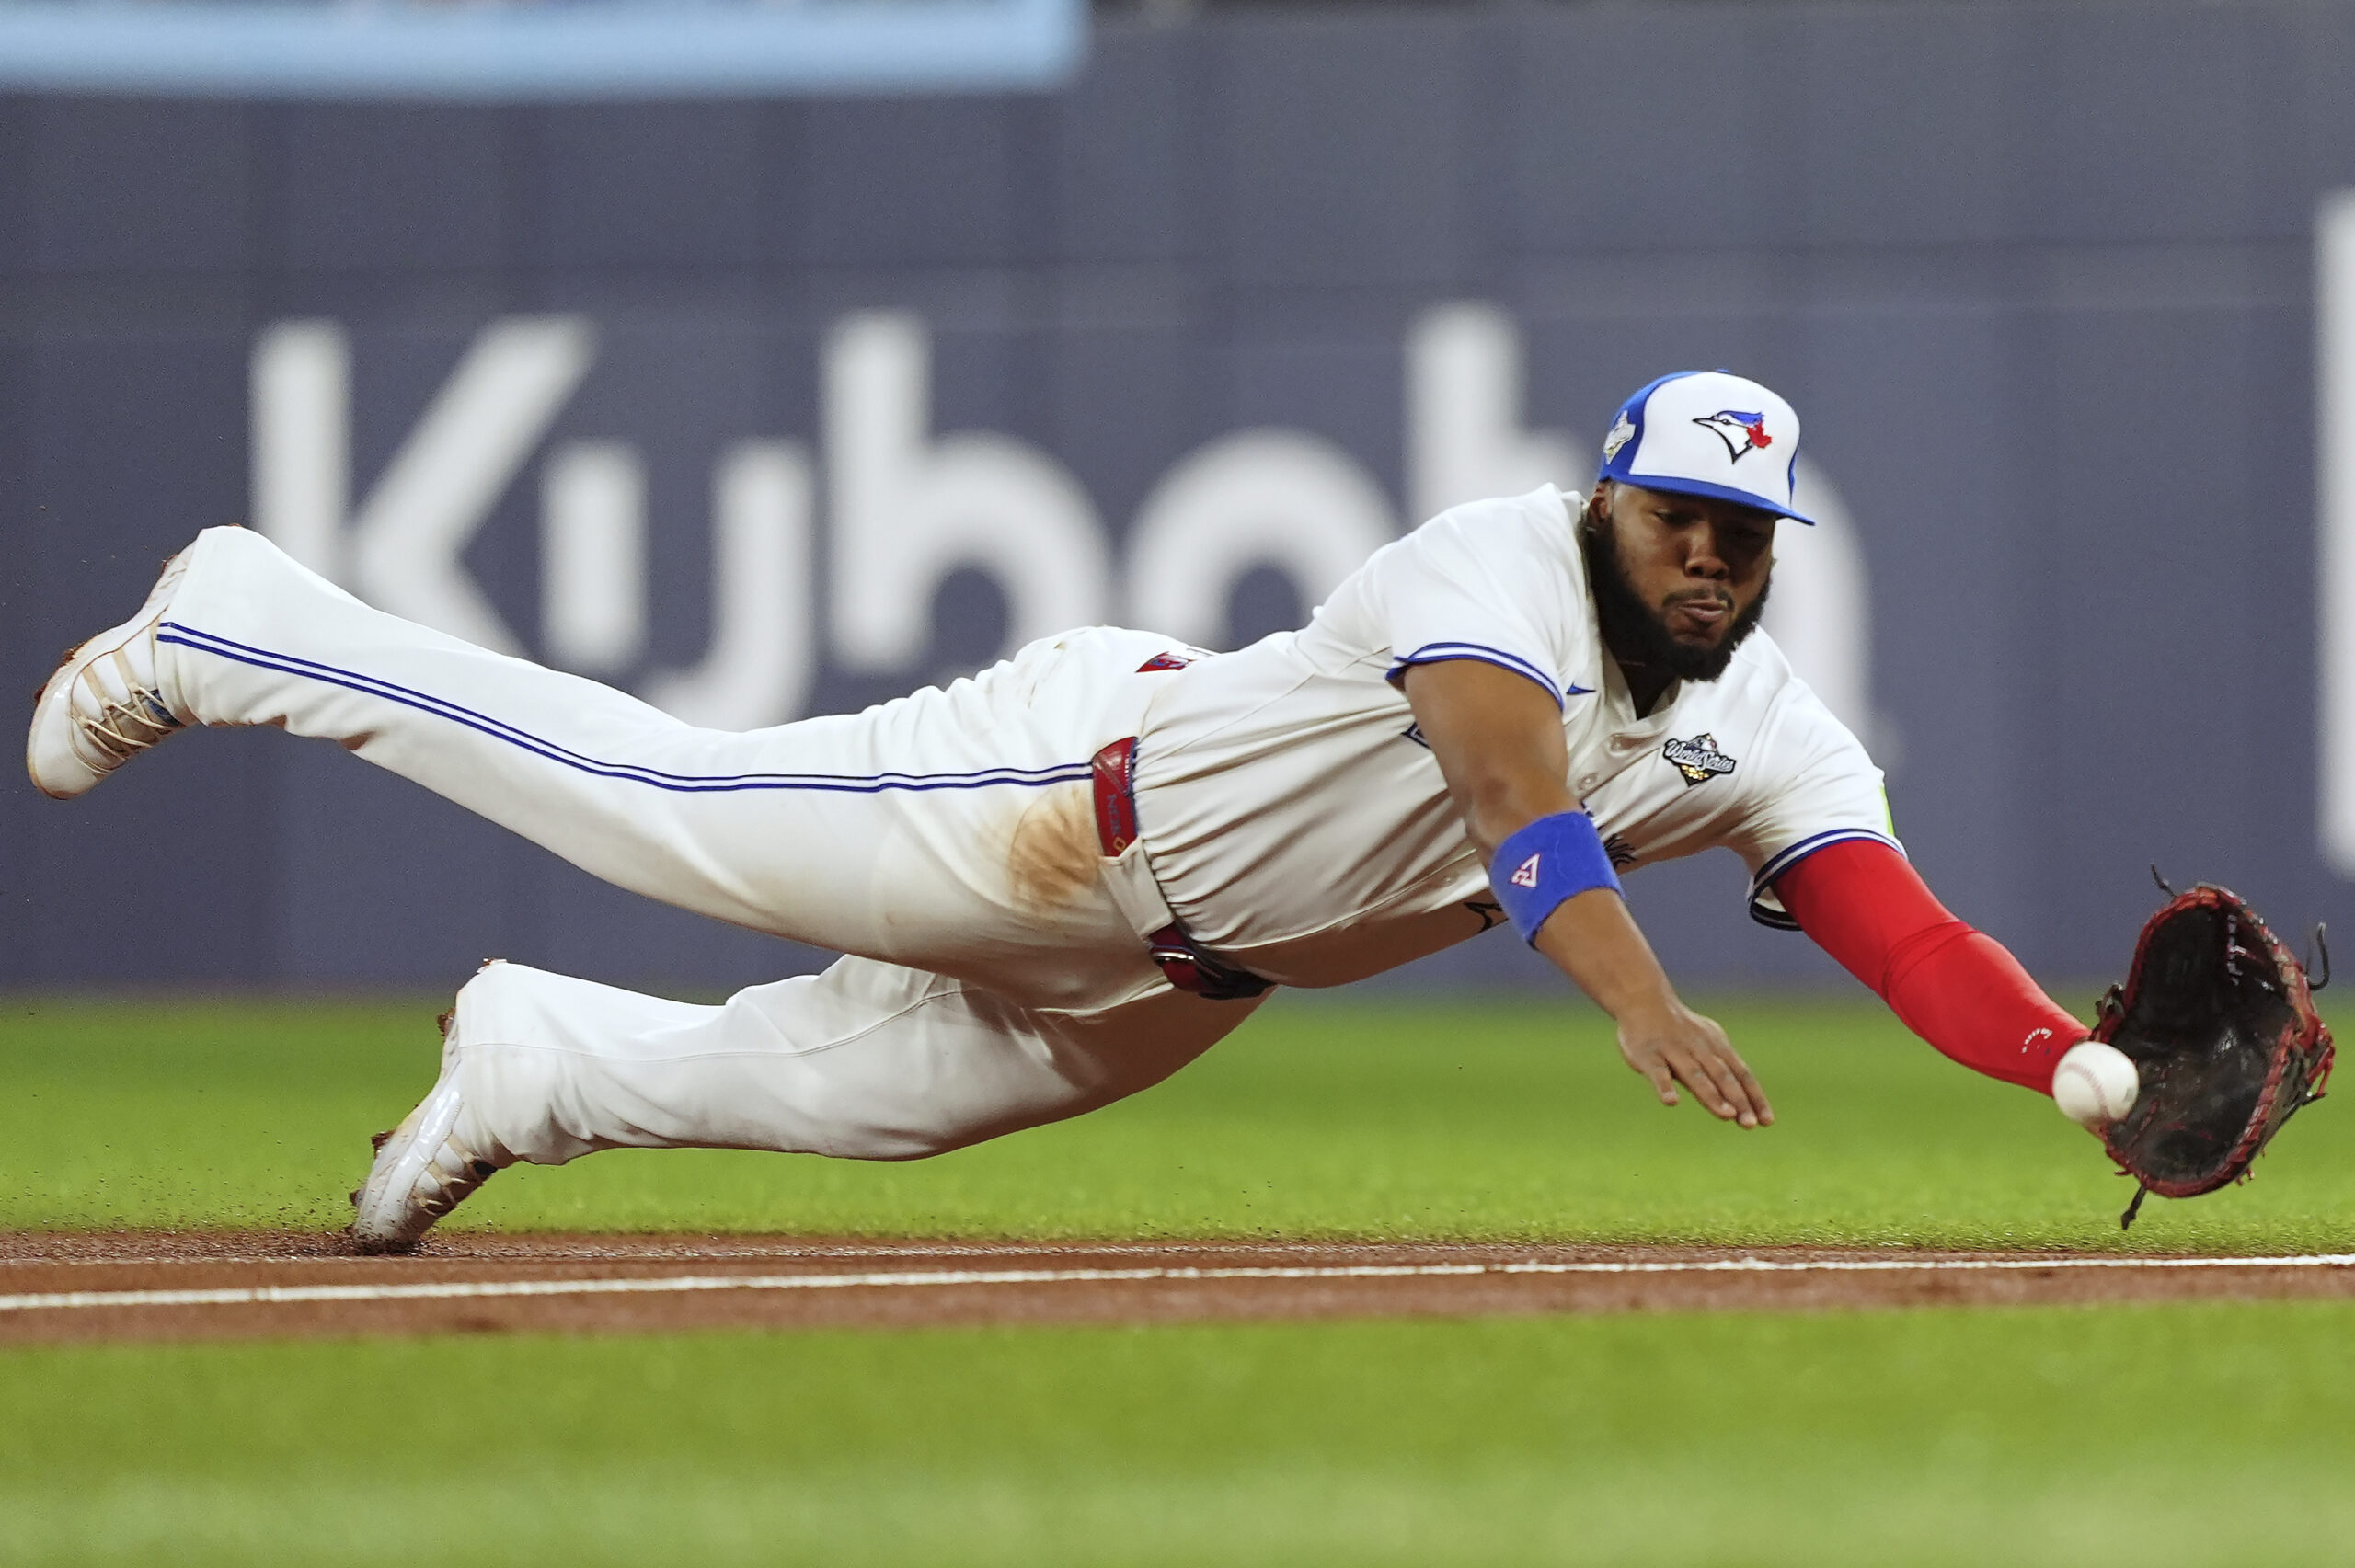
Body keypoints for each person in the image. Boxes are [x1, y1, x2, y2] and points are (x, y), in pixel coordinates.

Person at [27, 369, 2127, 1253]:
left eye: (1746, 535)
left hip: (1177, 974)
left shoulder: (1759, 722)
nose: (1711, 560)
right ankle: (247, 626)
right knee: (653, 794)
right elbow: (1508, 794)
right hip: (1057, 800)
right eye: (1683, 515)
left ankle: (539, 1061)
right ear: (1606, 496)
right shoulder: (1487, 567)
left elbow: (1900, 929)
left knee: (851, 1101)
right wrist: (1625, 995)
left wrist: (2077, 1071)